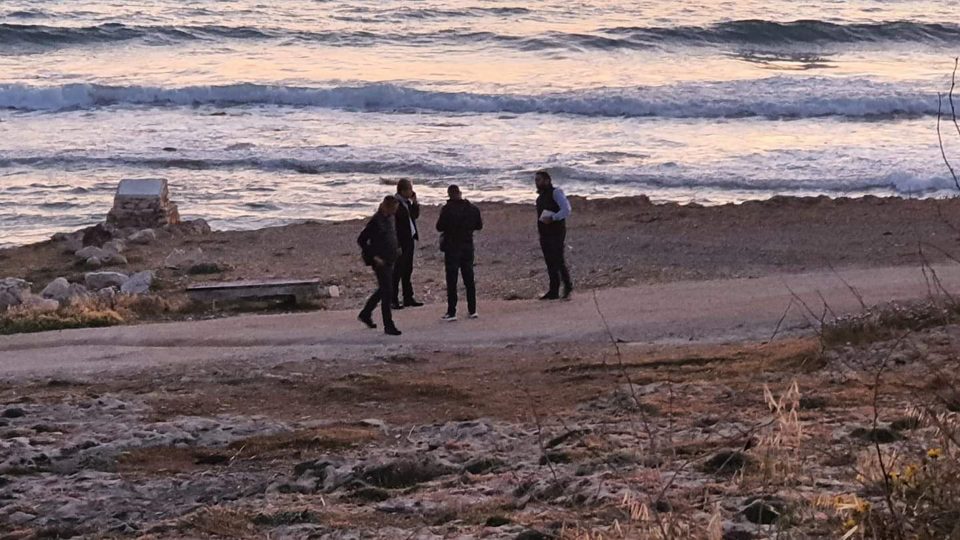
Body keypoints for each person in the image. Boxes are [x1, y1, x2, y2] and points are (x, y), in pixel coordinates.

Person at [435, 185, 483, 321]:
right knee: (469, 278)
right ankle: (472, 309)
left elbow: (439, 227)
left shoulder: (447, 209)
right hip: (467, 245)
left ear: (450, 194)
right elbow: (479, 226)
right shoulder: (472, 208)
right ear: (460, 193)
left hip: (452, 246)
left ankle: (452, 312)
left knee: (452, 279)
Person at [357, 196, 403, 336]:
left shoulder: (390, 218)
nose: (395, 211)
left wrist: (397, 246)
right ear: (387, 207)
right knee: (387, 292)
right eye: (393, 208)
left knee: (384, 289)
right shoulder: (376, 221)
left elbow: (392, 235)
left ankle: (366, 313)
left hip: (390, 258)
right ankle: (388, 325)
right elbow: (362, 240)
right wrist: (374, 257)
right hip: (380, 261)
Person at [534, 170, 573, 300]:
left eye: (539, 180)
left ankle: (567, 286)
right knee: (549, 261)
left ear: (547, 180)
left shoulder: (556, 192)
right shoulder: (540, 197)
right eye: (536, 180)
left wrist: (553, 218)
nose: (536, 183)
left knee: (558, 259)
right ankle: (553, 290)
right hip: (544, 232)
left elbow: (566, 209)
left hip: (556, 232)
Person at [392, 178, 423, 310]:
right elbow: (393, 225)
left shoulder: (406, 203)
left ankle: (408, 297)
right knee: (397, 271)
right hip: (401, 240)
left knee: (407, 270)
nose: (411, 192)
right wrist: (396, 244)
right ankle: (393, 299)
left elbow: (414, 215)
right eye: (409, 189)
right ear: (403, 190)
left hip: (409, 239)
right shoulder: (396, 204)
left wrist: (415, 202)